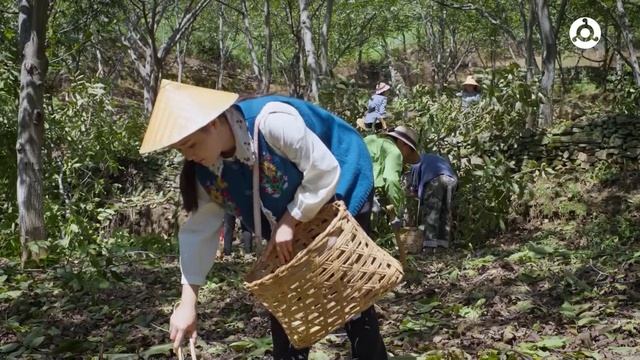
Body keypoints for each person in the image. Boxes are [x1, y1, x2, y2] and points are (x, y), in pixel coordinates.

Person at [141, 79, 388, 360]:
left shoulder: (271, 122)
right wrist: (188, 304)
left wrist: (291, 219)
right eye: (181, 151)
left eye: (191, 145)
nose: (189, 156)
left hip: (341, 177)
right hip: (288, 211)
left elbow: (324, 170)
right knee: (286, 298)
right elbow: (198, 234)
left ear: (213, 124)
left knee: (347, 287)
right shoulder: (206, 171)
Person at [364, 126, 420, 229]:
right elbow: (391, 181)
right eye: (410, 149)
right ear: (402, 143)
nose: (408, 154)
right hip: (368, 194)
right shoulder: (395, 152)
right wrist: (398, 209)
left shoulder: (370, 139)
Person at [408, 153, 458, 249]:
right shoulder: (434, 158)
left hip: (436, 179)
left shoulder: (415, 161)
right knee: (445, 212)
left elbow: (413, 186)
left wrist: (414, 192)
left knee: (432, 212)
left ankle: (429, 247)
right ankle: (443, 246)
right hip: (452, 179)